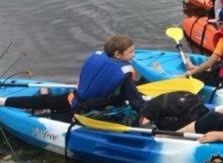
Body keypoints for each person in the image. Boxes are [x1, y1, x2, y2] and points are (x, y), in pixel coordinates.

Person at [0, 35, 146, 115]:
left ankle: (4, 101)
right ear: (118, 54)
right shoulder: (125, 76)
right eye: (131, 51)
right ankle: (44, 113)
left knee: (45, 101)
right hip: (89, 110)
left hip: (73, 98)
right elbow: (136, 103)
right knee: (54, 114)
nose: (134, 54)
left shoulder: (97, 58)